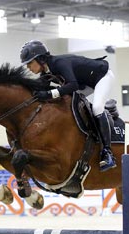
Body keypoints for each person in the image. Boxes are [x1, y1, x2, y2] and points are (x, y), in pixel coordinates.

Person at [20, 40, 117, 172]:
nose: (28, 67)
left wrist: (48, 94)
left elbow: (72, 86)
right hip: (85, 83)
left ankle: (107, 152)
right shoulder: (46, 72)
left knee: (97, 107)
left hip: (102, 77)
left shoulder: (59, 63)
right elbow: (39, 87)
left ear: (40, 59)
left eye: (29, 63)